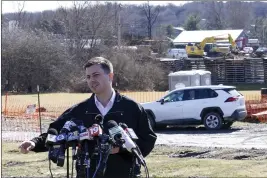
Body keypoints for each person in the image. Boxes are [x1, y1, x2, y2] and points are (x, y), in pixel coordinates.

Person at [19, 57, 157, 178]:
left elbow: (148, 139)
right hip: (88, 173)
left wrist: (122, 150)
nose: (92, 80)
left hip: (125, 173)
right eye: (88, 77)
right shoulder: (80, 110)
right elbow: (56, 132)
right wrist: (34, 143)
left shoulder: (132, 108)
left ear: (110, 76)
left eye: (96, 75)